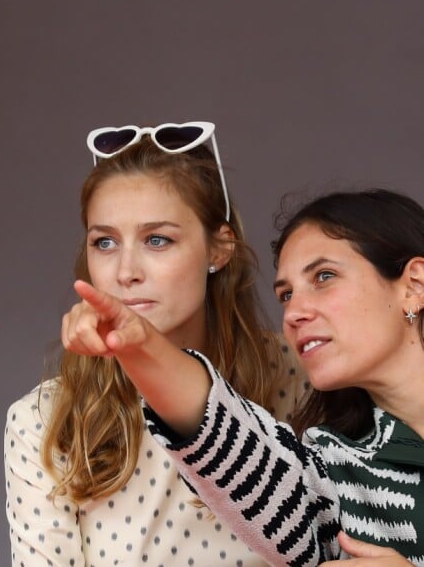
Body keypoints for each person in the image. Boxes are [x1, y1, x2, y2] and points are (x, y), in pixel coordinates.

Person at [62, 188, 423, 566]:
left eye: (324, 276)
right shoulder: (339, 475)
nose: (294, 312)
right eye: (285, 295)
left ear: (414, 284)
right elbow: (230, 447)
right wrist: (138, 344)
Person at [4, 122, 310, 566]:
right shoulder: (45, 419)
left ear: (219, 249)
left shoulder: (298, 373)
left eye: (157, 239)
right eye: (105, 242)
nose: (126, 271)